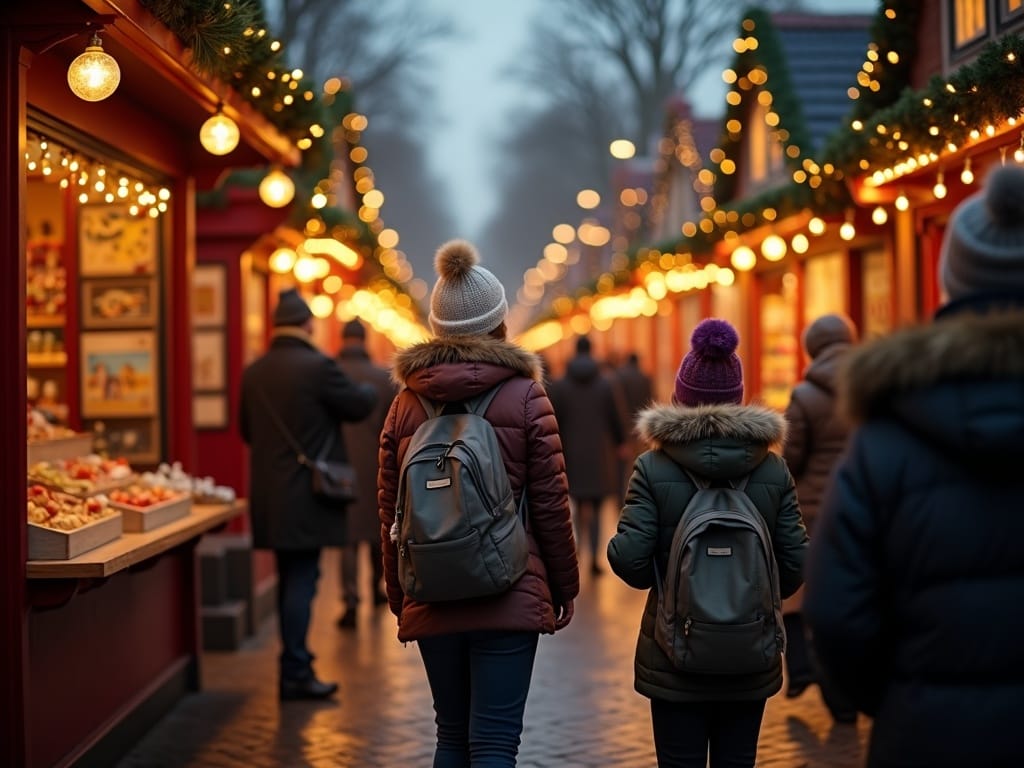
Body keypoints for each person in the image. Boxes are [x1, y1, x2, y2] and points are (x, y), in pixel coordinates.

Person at [804, 165, 1024, 767]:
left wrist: (899, 694)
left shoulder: (887, 438)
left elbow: (835, 611)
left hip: (927, 737)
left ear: (950, 279)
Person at [378, 239, 579, 767]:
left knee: (450, 733)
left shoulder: (405, 403)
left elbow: (388, 511)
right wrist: (564, 585)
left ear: (438, 326)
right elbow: (552, 503)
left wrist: (400, 589)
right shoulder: (526, 396)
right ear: (499, 322)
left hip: (431, 584)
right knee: (494, 741)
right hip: (508, 583)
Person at [607, 318, 808, 768]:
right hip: (749, 654)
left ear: (680, 396)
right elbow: (795, 562)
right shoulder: (771, 469)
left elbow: (633, 564)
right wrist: (750, 602)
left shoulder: (653, 467)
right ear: (738, 396)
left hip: (674, 652)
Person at [239, 288, 377, 701]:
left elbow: (246, 431)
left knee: (288, 579)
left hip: (270, 496)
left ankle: (292, 666)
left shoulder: (254, 372)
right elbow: (356, 406)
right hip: (308, 497)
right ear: (306, 325)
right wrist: (371, 391)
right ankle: (296, 670)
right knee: (304, 579)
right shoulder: (319, 367)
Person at [779, 313, 858, 723]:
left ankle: (804, 666)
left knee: (797, 592)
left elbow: (791, 457)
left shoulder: (805, 395)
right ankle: (841, 689)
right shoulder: (871, 388)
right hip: (861, 504)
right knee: (850, 595)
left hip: (812, 509)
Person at [335, 318, 398, 630]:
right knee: (377, 533)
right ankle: (375, 587)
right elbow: (393, 428)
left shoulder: (331, 375)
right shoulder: (381, 377)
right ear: (365, 340)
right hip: (374, 466)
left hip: (339, 469)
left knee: (346, 538)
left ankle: (349, 600)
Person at [549, 335, 628, 575]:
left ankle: (578, 552)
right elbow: (617, 417)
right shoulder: (606, 383)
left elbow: (553, 420)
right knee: (596, 505)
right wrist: (621, 442)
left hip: (570, 453)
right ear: (592, 350)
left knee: (575, 503)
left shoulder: (560, 385)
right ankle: (594, 557)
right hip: (599, 455)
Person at [613, 351, 654, 498]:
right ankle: (638, 495)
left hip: (625, 426)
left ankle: (622, 497)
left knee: (623, 466)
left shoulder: (618, 377)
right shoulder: (645, 377)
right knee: (641, 464)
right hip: (641, 427)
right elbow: (651, 401)